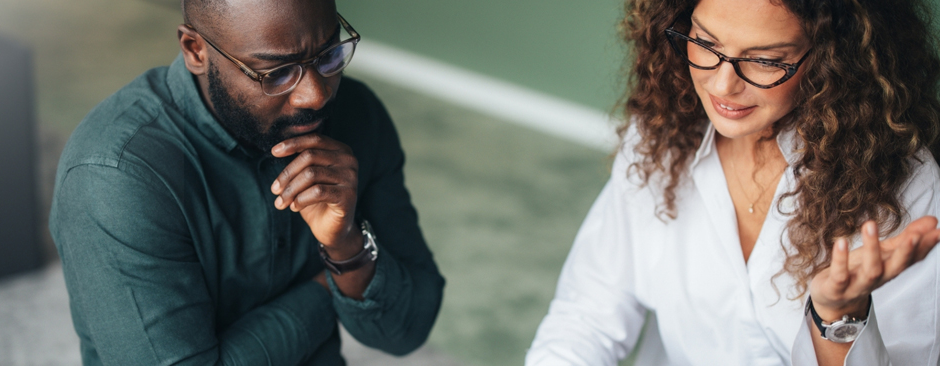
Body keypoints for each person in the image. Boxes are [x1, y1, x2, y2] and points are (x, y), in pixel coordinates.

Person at [527, 0, 940, 364]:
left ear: (834, 61)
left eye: (765, 60)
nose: (722, 85)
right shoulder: (660, 136)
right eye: (706, 43)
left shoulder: (905, 191)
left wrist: (839, 316)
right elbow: (587, 316)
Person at [48, 0, 445, 364]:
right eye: (276, 72)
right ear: (195, 50)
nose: (315, 95)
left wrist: (345, 247)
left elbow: (408, 331)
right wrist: (325, 291)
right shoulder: (115, 176)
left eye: (328, 55)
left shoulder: (359, 116)